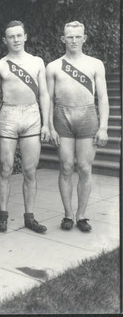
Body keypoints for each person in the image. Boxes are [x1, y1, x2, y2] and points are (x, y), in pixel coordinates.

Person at [46, 21, 108, 232]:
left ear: (84, 38)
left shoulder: (95, 64)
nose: (73, 40)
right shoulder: (53, 66)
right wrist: (50, 126)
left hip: (88, 115)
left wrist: (104, 127)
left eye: (77, 36)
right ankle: (68, 215)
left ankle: (81, 216)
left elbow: (104, 97)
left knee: (83, 167)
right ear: (63, 39)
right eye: (69, 37)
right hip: (62, 116)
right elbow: (47, 98)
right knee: (65, 167)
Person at [0, 20, 50, 233]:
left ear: (25, 36)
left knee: (29, 171)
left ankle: (29, 217)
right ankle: (3, 217)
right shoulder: (0, 65)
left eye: (19, 35)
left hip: (31, 116)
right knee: (5, 169)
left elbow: (44, 94)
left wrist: (46, 123)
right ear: (5, 40)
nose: (15, 40)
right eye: (11, 36)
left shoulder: (37, 62)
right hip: (8, 116)